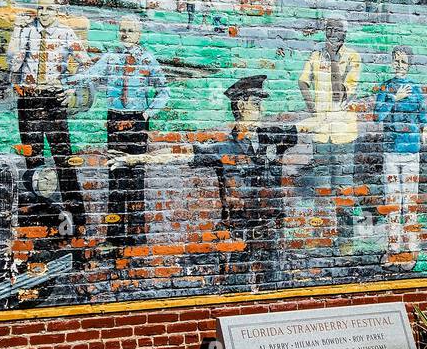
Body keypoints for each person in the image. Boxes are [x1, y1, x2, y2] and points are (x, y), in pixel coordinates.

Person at [113, 75, 298, 289]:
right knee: (235, 293)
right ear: (240, 105)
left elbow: (310, 126)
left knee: (275, 295)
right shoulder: (223, 148)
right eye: (256, 104)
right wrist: (135, 159)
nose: (261, 111)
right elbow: (180, 153)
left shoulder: (273, 137)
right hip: (238, 237)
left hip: (272, 236)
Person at [71, 15, 169, 247]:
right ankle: (114, 237)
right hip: (115, 120)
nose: (125, 35)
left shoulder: (147, 60)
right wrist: (66, 80)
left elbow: (164, 91)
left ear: (139, 35)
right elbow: (90, 75)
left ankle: (136, 236)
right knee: (115, 176)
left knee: (136, 177)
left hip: (137, 121)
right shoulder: (111, 58)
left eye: (130, 31)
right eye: (122, 30)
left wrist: (147, 113)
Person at [7, 0, 89, 233]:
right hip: (29, 101)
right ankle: (42, 215)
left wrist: (71, 88)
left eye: (49, 8)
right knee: (33, 159)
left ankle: (76, 215)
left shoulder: (65, 34)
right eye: (40, 8)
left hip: (53, 102)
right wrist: (16, 31)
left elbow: (85, 64)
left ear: (57, 11)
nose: (44, 13)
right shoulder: (27, 32)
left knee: (63, 158)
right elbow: (12, 64)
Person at [299, 18, 361, 253]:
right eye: (328, 30)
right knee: (322, 189)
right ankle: (322, 237)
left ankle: (345, 242)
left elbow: (338, 94)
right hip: (321, 134)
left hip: (345, 134)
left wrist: (334, 60)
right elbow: (302, 82)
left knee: (344, 189)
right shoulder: (315, 57)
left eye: (336, 30)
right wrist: (312, 108)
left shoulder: (352, 58)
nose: (331, 34)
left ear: (344, 34)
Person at [373, 46, 427, 271]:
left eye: (403, 62)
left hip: (411, 153)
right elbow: (377, 115)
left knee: (409, 204)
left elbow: (423, 117)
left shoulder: (416, 90)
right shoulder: (385, 87)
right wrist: (393, 97)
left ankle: (409, 252)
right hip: (391, 152)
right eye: (396, 61)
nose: (399, 65)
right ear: (391, 62)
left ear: (410, 65)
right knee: (392, 203)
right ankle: (393, 250)